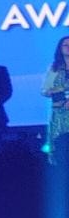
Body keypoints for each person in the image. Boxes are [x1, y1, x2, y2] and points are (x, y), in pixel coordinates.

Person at [44, 37, 69, 166]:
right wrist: (55, 90)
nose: (68, 47)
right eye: (65, 45)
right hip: (59, 112)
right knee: (59, 146)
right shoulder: (54, 68)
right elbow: (44, 90)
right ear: (60, 48)